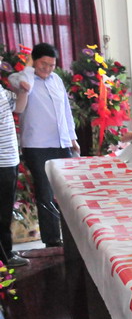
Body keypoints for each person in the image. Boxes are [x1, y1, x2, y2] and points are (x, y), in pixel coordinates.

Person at [11, 43, 79, 248]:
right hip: (37, 145)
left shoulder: (56, 79)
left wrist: (72, 138)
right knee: (45, 192)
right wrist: (29, 67)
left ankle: (73, 236)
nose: (48, 69)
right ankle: (52, 240)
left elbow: (66, 111)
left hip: (61, 143)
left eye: (52, 65)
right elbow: (23, 87)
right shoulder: (20, 78)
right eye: (43, 64)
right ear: (34, 61)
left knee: (68, 191)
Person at [0, 81, 30, 267]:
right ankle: (5, 257)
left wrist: (23, 91)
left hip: (9, 158)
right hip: (1, 160)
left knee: (5, 211)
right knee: (2, 212)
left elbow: (18, 107)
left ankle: (6, 252)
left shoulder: (1, 89)